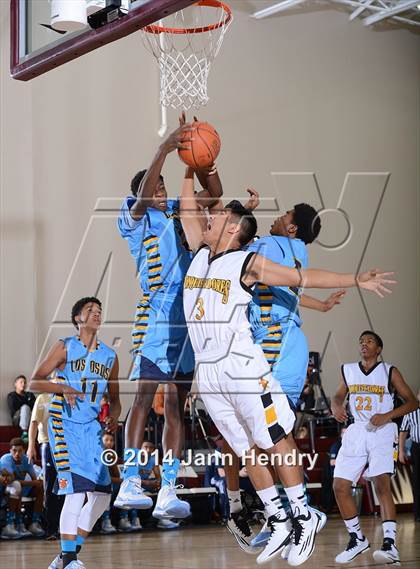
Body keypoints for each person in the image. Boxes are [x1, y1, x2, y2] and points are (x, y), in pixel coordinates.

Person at [180, 169, 395, 566]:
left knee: (275, 436)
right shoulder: (199, 256)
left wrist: (355, 278)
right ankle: (279, 518)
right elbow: (187, 209)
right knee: (245, 449)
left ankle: (303, 514)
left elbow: (303, 277)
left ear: (233, 228)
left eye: (219, 216)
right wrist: (189, 167)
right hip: (208, 372)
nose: (207, 219)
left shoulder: (247, 262)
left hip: (242, 365)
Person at [115, 114, 222, 520]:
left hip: (188, 313)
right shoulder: (134, 216)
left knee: (176, 403)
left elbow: (215, 193)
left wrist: (199, 163)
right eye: (156, 186)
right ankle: (130, 480)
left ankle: (169, 488)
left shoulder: (178, 209)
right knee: (144, 396)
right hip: (156, 311)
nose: (161, 191)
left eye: (162, 185)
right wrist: (163, 148)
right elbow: (143, 196)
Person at [30, 296, 120, 569]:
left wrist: (114, 417)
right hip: (63, 423)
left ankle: (66, 555)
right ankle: (70, 558)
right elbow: (35, 381)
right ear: (77, 319)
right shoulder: (65, 346)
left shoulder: (110, 356)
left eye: (99, 311)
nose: (96, 314)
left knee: (103, 495)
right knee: (76, 492)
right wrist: (63, 388)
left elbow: (115, 399)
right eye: (90, 310)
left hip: (91, 428)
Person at [331, 331, 418, 564]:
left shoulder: (389, 370)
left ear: (379, 349)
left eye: (369, 341)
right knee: (339, 485)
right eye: (361, 341)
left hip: (383, 429)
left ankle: (389, 544)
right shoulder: (348, 370)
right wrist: (336, 406)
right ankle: (357, 539)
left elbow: (413, 402)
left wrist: (388, 415)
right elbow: (338, 396)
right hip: (357, 429)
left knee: (381, 484)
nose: (364, 344)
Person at [27, 391, 64, 539]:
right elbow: (34, 422)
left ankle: (65, 526)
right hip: (48, 444)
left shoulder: (69, 395)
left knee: (66, 487)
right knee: (49, 487)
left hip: (66, 445)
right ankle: (51, 528)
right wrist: (31, 445)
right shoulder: (43, 398)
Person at [0, 437, 45, 538]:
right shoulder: (6, 459)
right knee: (16, 485)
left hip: (18, 488)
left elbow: (36, 481)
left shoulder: (27, 460)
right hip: (5, 489)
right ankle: (10, 524)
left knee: (40, 488)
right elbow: (9, 481)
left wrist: (33, 483)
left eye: (20, 451)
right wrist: (30, 483)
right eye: (14, 451)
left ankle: (34, 523)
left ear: (24, 451)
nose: (17, 454)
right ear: (10, 451)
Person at [399, 388, 420, 523]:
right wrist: (401, 451)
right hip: (417, 447)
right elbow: (403, 432)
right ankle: (418, 513)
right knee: (417, 480)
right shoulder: (411, 411)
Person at [7, 375, 36, 440]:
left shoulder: (30, 394)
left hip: (29, 417)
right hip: (17, 419)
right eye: (21, 382)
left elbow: (34, 407)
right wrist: (27, 402)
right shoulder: (12, 395)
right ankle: (25, 432)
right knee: (25, 407)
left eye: (25, 382)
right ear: (15, 384)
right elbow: (13, 408)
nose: (23, 384)